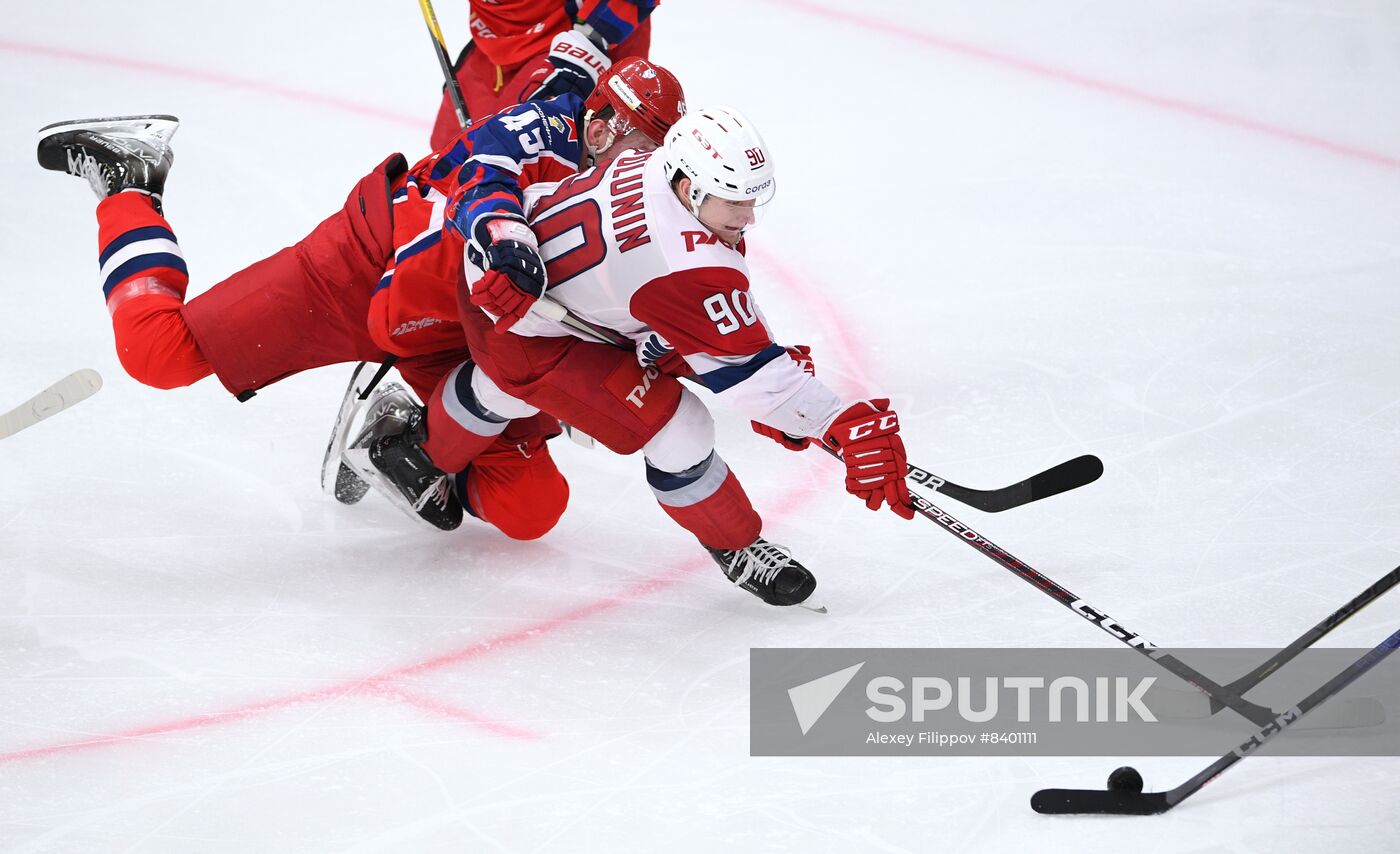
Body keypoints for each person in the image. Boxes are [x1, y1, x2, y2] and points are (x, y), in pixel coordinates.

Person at [35, 58, 685, 540]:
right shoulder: (535, 133)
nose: (636, 171)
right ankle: (129, 179)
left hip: (466, 331)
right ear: (598, 124)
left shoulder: (643, 205)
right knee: (157, 354)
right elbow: (457, 185)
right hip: (369, 269)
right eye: (632, 147)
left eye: (652, 159)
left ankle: (399, 424)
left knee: (531, 510)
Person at [434, 106, 916, 610]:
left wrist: (753, 366)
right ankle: (738, 545)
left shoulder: (654, 162)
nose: (748, 216)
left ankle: (424, 449)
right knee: (679, 429)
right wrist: (837, 421)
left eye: (754, 198)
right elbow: (754, 373)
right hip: (527, 331)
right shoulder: (685, 264)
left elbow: (696, 312)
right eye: (735, 201)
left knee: (520, 390)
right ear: (690, 189)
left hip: (518, 276)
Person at [430, 0, 659, 149]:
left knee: (525, 156)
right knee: (449, 152)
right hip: (499, 39)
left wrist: (595, 34)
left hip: (577, 36)